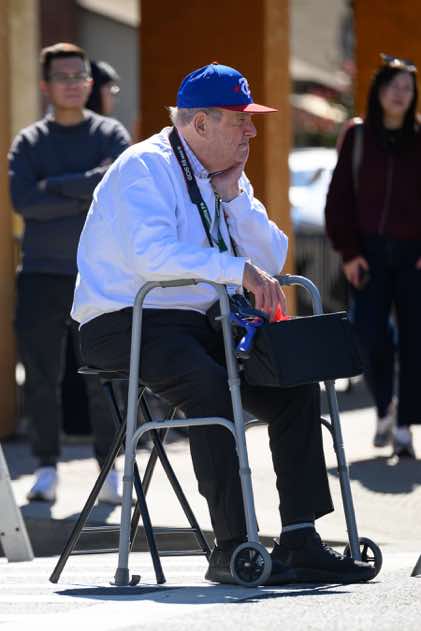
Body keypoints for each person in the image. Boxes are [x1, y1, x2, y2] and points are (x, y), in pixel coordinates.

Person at [72, 62, 375, 585]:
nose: (251, 131)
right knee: (211, 387)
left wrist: (235, 199)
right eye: (241, 120)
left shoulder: (223, 174)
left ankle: (300, 538)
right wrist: (237, 270)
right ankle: (233, 547)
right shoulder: (143, 166)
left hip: (196, 322)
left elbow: (272, 255)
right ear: (200, 123)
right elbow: (151, 255)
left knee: (294, 385)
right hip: (125, 320)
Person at [8, 42, 131, 503]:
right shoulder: (29, 142)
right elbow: (25, 202)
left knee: (103, 376)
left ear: (89, 82)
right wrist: (85, 188)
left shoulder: (110, 134)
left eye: (80, 76)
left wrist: (55, 186)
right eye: (63, 77)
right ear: (46, 85)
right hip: (41, 274)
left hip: (99, 274)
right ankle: (45, 468)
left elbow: (116, 185)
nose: (73, 84)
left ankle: (110, 468)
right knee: (42, 376)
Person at [325, 53, 421, 459]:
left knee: (415, 342)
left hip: (414, 256)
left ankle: (403, 427)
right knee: (368, 333)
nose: (400, 94)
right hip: (367, 254)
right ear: (378, 91)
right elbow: (339, 198)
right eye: (393, 86)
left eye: (407, 88)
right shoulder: (358, 136)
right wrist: (349, 252)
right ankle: (384, 406)